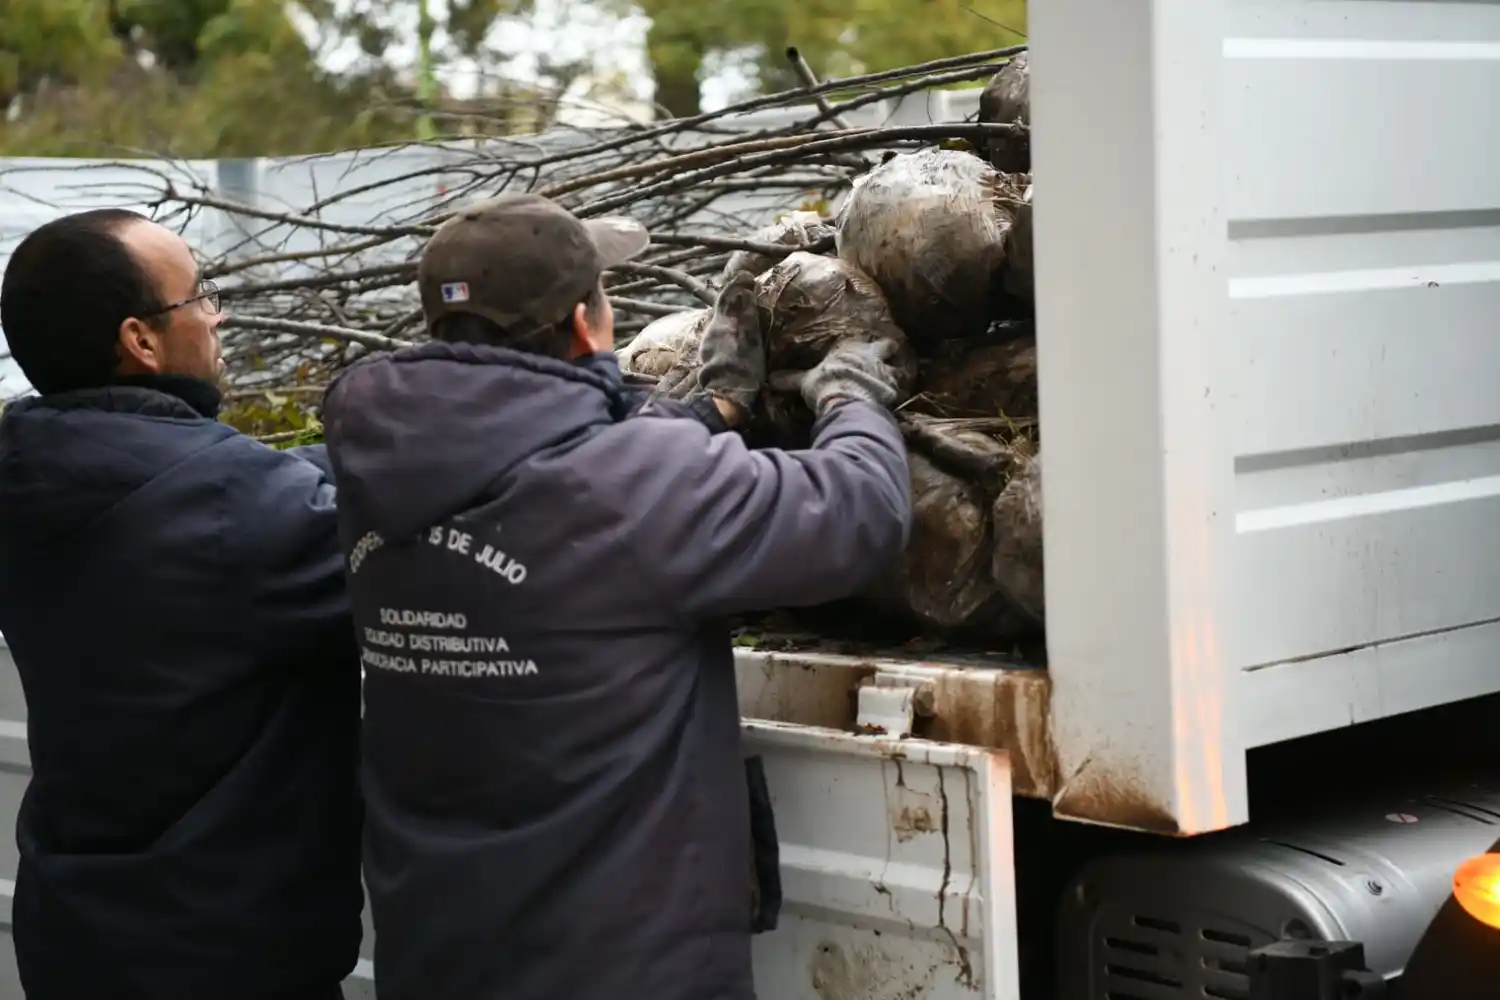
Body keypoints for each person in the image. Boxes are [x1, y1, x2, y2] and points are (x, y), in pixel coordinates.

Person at [320, 192, 913, 1000]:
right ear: (583, 325)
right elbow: (857, 513)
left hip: (441, 947)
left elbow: (554, 464)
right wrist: (852, 396)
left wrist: (712, 410)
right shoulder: (629, 486)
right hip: (621, 964)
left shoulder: (369, 468)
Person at [0, 209, 363, 1000]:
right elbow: (410, 527)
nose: (217, 314)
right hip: (225, 951)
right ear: (141, 340)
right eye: (200, 295)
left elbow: (253, 490)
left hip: (75, 935)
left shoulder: (27, 476)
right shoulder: (229, 505)